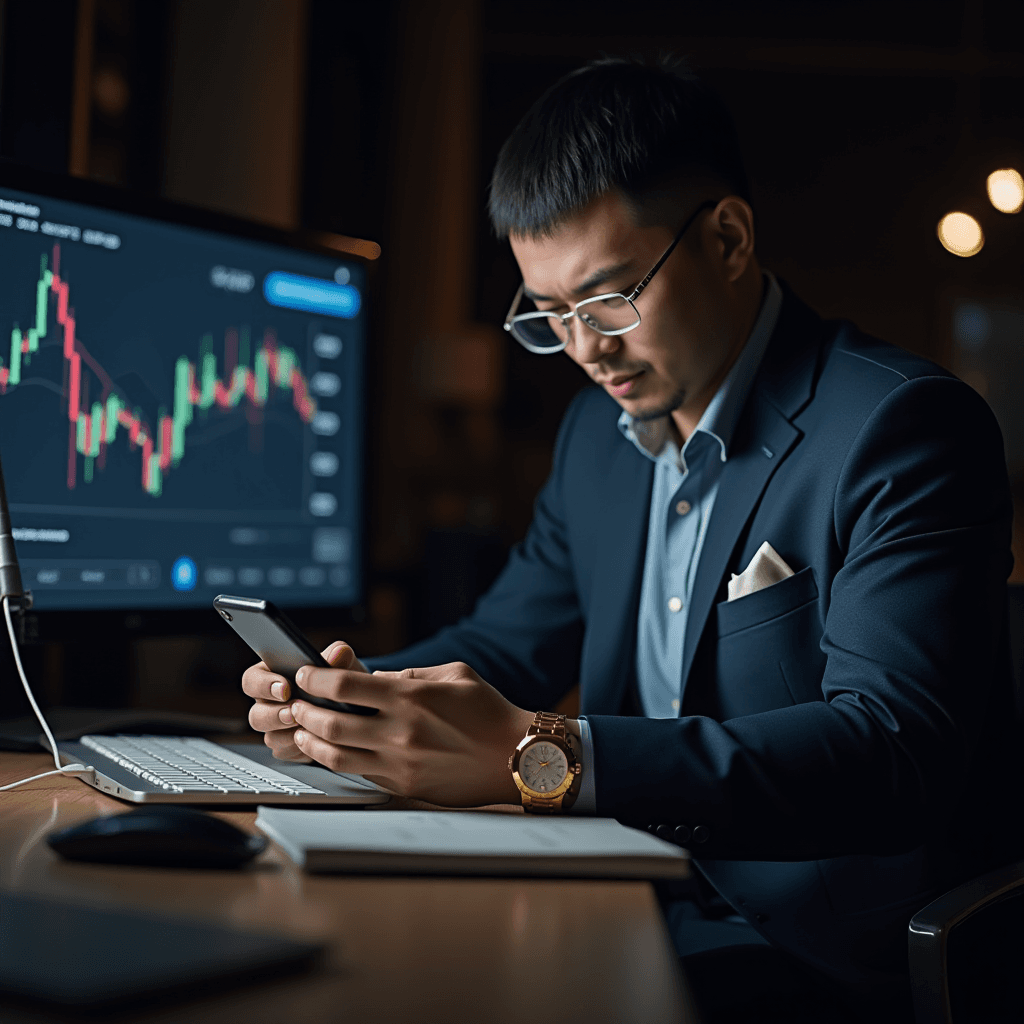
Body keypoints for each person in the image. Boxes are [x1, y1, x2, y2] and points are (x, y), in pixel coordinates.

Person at [243, 58, 1021, 1021]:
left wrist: (545, 754)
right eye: (549, 312)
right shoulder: (596, 443)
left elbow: (893, 749)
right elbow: (503, 644)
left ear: (729, 238)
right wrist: (342, 699)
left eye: (609, 300)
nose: (582, 349)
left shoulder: (901, 428)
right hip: (627, 885)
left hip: (825, 954)